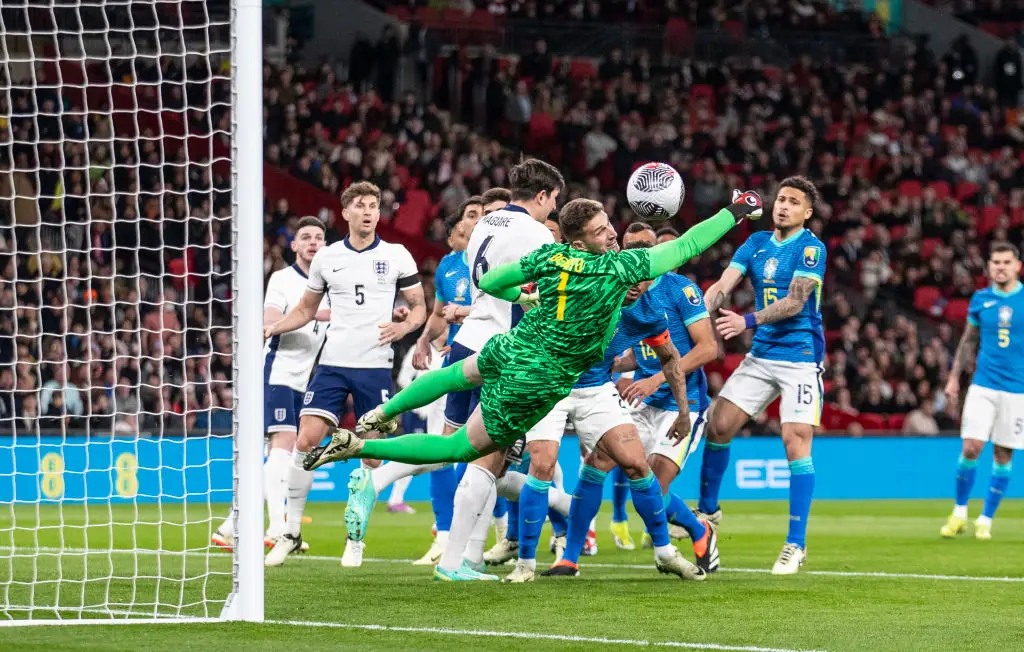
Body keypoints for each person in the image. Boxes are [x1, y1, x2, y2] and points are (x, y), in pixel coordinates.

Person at [306, 191, 763, 567]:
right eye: (604, 230)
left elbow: (492, 283)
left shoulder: (551, 255)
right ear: (586, 241)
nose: (612, 234)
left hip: (513, 344)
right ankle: (363, 446)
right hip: (539, 376)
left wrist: (529, 300)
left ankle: (381, 413)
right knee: (460, 448)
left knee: (453, 375)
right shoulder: (618, 269)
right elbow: (688, 246)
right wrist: (735, 211)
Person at [346, 160, 562, 582]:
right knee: (486, 457)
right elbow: (544, 290)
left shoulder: (483, 224)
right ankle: (457, 563)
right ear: (542, 195)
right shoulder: (536, 232)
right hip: (505, 347)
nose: (551, 210)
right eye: (552, 201)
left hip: (467, 340)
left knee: (450, 445)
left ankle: (378, 475)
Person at [506, 237, 716, 583]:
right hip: (551, 381)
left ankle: (668, 549)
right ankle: (533, 563)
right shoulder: (587, 281)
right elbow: (525, 291)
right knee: (543, 465)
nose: (637, 283)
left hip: (598, 389)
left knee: (635, 466)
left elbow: (672, 360)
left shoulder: (650, 310)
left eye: (645, 275)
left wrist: (681, 410)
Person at [262, 182, 427, 567]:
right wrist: (275, 326)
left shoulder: (397, 255)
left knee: (370, 455)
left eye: (374, 205)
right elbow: (305, 310)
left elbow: (419, 308)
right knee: (305, 440)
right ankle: (289, 531)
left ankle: (355, 538)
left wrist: (403, 330)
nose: (369, 211)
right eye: (361, 206)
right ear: (346, 213)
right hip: (333, 364)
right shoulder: (327, 258)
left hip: (374, 367)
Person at [698, 177, 825, 575]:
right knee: (717, 426)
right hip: (763, 355)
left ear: (807, 212)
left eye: (793, 202)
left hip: (801, 358)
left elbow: (796, 300)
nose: (783, 206)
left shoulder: (811, 248)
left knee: (794, 441)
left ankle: (795, 544)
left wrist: (747, 320)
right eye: (780, 200)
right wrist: (702, 311)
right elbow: (724, 285)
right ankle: (708, 514)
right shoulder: (754, 243)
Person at [346, 197, 483, 566]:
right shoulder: (450, 267)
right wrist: (423, 340)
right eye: (470, 215)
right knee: (457, 451)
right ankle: (450, 538)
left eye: (483, 214)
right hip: (463, 364)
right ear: (454, 235)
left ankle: (377, 480)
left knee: (484, 455)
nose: (478, 219)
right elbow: (439, 315)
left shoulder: (497, 258)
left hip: (497, 360)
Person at [211, 216, 328, 553]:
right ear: (294, 246)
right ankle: (278, 528)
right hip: (276, 371)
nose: (312, 242)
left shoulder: (329, 286)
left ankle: (230, 527)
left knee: (281, 453)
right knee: (285, 444)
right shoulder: (283, 279)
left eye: (318, 237)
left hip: (302, 379)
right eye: (305, 237)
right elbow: (269, 322)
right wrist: (316, 312)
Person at [609, 224, 718, 549]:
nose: (639, 250)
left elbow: (708, 348)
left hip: (684, 403)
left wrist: (657, 378)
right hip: (644, 402)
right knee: (635, 479)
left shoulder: (680, 289)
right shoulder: (621, 289)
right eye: (632, 245)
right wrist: (616, 366)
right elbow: (642, 352)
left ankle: (699, 531)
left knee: (654, 485)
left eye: (646, 244)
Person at [940, 242, 1024, 540]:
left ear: (1017, 266)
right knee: (971, 447)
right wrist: (953, 378)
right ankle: (959, 512)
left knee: (1003, 454)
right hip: (983, 385)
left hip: (1017, 391)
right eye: (995, 262)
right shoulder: (980, 299)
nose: (1000, 267)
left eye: (1006, 262)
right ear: (989, 267)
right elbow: (967, 342)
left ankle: (986, 518)